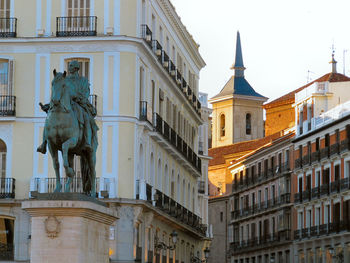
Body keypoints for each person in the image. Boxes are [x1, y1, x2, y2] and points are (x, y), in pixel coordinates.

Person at [37, 60, 97, 154]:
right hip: (66, 103)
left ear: (76, 68)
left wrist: (77, 97)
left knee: (86, 117)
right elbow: (59, 93)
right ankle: (44, 143)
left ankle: (87, 142)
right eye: (69, 65)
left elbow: (86, 93)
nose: (69, 67)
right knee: (49, 117)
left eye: (71, 66)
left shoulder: (83, 80)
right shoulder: (65, 80)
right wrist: (49, 105)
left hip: (79, 103)